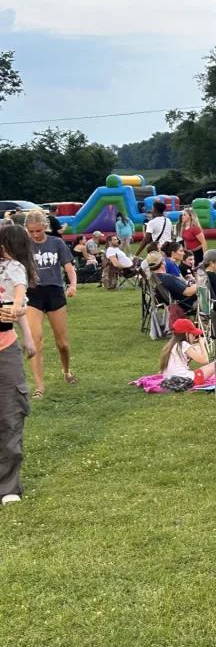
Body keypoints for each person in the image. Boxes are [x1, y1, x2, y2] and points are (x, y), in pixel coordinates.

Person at [0, 225, 38, 505]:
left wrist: (27, 334)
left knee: (11, 413)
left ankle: (8, 486)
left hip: (5, 348)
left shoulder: (12, 268)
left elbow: (18, 298)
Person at [24, 211, 78, 397]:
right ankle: (39, 387)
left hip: (54, 292)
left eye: (38, 230)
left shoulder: (57, 243)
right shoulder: (23, 245)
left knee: (62, 343)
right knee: (36, 340)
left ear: (45, 227)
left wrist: (72, 285)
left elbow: (69, 268)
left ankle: (66, 371)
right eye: (31, 231)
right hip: (33, 293)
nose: (35, 235)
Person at [158, 318, 216, 390]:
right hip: (186, 380)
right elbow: (205, 361)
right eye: (193, 335)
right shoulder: (184, 345)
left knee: (213, 368)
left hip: (169, 381)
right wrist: (202, 344)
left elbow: (187, 363)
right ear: (186, 334)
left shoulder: (171, 345)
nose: (194, 337)